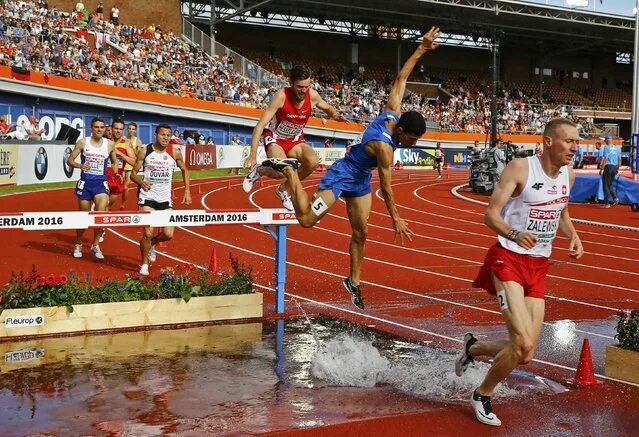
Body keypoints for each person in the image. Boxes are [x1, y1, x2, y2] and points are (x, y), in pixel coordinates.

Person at [260, 27, 440, 310]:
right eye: (412, 139)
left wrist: (422, 48)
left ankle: (353, 282)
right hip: (343, 175)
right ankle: (291, 173)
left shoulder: (393, 111)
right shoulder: (384, 148)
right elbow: (388, 189)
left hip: (360, 181)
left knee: (361, 233)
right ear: (402, 130)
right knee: (306, 219)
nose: (412, 143)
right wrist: (396, 219)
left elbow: (402, 77)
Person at [455, 118, 584, 426]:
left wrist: (573, 235)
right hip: (508, 259)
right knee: (522, 343)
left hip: (539, 265)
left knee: (525, 353)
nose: (575, 147)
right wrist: (514, 234)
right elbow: (491, 214)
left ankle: (473, 347)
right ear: (549, 142)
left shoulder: (569, 173)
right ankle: (482, 394)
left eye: (577, 142)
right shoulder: (520, 168)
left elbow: (561, 210)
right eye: (569, 141)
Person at [242, 65, 348, 210]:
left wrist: (335, 115)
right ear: (291, 83)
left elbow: (327, 106)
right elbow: (260, 126)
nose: (303, 91)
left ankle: (283, 190)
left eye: (306, 86)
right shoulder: (281, 96)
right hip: (275, 139)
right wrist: (252, 155)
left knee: (313, 162)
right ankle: (258, 171)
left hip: (295, 140)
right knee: (283, 170)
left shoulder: (313, 95)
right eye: (299, 87)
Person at [130, 124, 191, 276]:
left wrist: (187, 191)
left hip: (165, 199)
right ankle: (144, 263)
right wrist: (140, 181)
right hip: (147, 197)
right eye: (162, 134)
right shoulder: (145, 150)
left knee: (168, 234)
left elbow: (185, 170)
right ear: (156, 135)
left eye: (168, 135)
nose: (165, 138)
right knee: (147, 233)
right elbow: (133, 173)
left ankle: (151, 245)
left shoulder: (175, 152)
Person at [66, 117, 120, 259]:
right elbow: (70, 160)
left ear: (105, 129)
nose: (99, 130)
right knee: (84, 217)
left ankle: (95, 245)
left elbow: (114, 162)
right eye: (96, 127)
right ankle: (78, 242)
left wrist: (115, 173)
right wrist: (80, 165)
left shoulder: (109, 144)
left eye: (102, 127)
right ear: (91, 128)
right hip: (86, 183)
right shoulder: (83, 142)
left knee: (100, 215)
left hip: (100, 184)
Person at [122, 122, 142, 207]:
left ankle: (122, 204)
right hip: (121, 166)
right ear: (127, 129)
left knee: (126, 186)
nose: (131, 130)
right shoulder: (122, 138)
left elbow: (138, 155)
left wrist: (131, 147)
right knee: (119, 186)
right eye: (129, 128)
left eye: (133, 129)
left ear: (135, 131)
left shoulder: (137, 141)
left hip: (130, 167)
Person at [599, 135, 620, 208]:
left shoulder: (606, 147)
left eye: (605, 140)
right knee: (610, 184)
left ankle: (606, 203)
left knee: (606, 186)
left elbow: (605, 158)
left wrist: (601, 168)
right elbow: (619, 159)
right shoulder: (617, 148)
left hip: (608, 167)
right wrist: (617, 168)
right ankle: (615, 198)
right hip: (615, 167)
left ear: (607, 140)